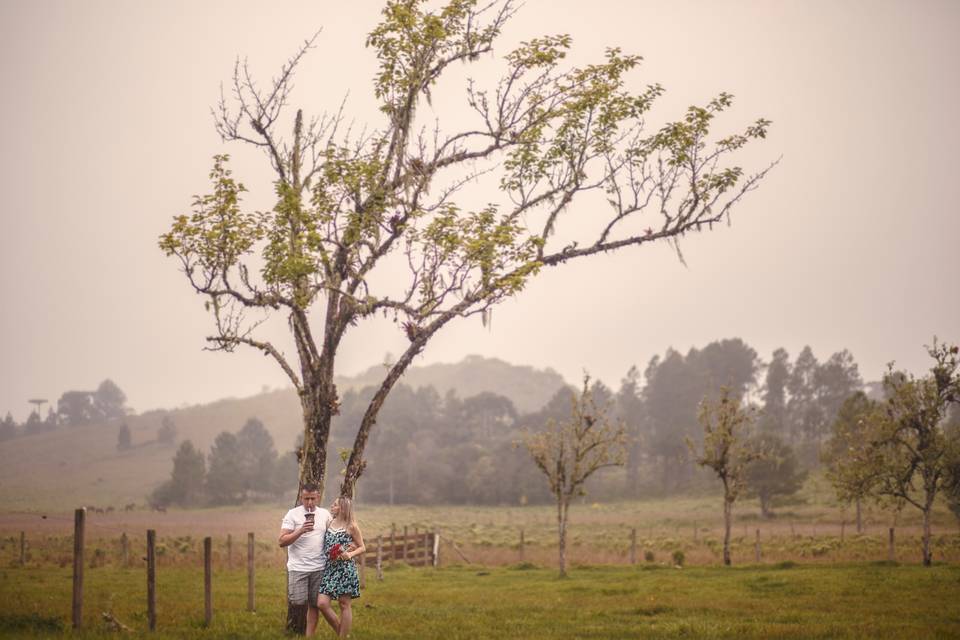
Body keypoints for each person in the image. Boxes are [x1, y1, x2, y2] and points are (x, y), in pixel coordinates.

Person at [278, 484, 332, 637]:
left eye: (312, 498)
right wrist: (301, 530)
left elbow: (332, 536)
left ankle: (309, 636)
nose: (309, 502)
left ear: (318, 497)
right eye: (306, 498)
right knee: (298, 603)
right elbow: (281, 541)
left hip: (319, 567)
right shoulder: (292, 514)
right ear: (301, 498)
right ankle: (295, 631)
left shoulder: (325, 514)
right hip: (298, 568)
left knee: (315, 605)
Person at [317, 496, 366, 638]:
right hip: (330, 568)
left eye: (335, 505)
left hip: (346, 569)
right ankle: (341, 633)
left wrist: (350, 555)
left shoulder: (351, 526)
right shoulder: (329, 523)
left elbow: (362, 547)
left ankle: (342, 637)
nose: (331, 507)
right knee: (322, 603)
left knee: (344, 604)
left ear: (343, 508)